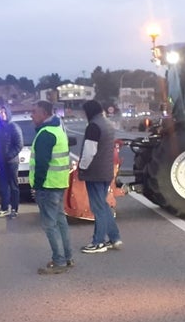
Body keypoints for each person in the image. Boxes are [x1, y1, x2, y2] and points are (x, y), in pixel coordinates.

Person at [29, 100, 73, 274]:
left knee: (50, 225)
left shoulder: (45, 133)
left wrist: (36, 187)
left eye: (35, 112)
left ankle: (59, 261)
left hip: (47, 186)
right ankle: (67, 257)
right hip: (59, 183)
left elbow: (41, 164)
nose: (32, 115)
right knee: (61, 222)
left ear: (45, 114)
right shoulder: (58, 129)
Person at [78, 100, 122, 253]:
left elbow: (90, 151)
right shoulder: (108, 124)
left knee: (98, 208)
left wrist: (81, 168)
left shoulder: (93, 126)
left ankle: (98, 242)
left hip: (94, 172)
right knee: (103, 205)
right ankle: (114, 238)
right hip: (106, 171)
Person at [0, 106, 23, 218]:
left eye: (5, 112)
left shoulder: (13, 127)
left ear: (8, 114)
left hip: (11, 162)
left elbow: (19, 145)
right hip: (1, 163)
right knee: (3, 186)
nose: (2, 114)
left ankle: (14, 209)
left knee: (13, 186)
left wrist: (8, 156)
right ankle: (4, 208)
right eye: (1, 112)